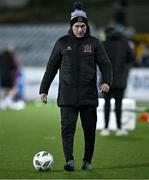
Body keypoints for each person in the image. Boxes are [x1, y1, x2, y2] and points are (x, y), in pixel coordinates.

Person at [39, 2, 112, 171]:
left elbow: (106, 65)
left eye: (83, 26)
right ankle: (69, 160)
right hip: (67, 96)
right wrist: (44, 89)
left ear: (86, 26)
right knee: (67, 130)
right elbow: (51, 67)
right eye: (77, 26)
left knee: (89, 132)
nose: (80, 29)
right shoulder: (62, 43)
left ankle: (87, 161)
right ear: (72, 26)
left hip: (88, 96)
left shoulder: (94, 43)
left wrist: (107, 81)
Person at [100, 26, 135, 136]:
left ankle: (105, 128)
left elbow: (97, 60)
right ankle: (119, 128)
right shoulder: (124, 44)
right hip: (120, 78)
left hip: (106, 79)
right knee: (118, 104)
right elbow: (132, 59)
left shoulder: (104, 44)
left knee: (106, 104)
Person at [0, 44, 19, 110]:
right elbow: (15, 66)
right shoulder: (11, 56)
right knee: (12, 89)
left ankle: (3, 103)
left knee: (4, 89)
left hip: (2, 75)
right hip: (9, 75)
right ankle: (8, 101)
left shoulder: (1, 55)